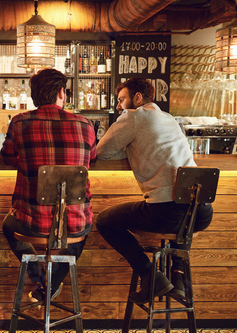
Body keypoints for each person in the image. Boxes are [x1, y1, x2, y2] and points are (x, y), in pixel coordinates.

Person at [96, 77, 213, 304]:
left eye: (122, 100)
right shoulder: (168, 118)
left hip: (166, 214)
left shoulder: (133, 116)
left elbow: (101, 151)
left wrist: (127, 147)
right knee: (184, 211)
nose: (119, 106)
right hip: (202, 213)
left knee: (103, 221)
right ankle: (177, 278)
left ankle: (150, 274)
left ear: (137, 98)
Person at [1, 68, 97, 302]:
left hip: (31, 223)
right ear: (62, 93)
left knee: (7, 226)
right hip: (75, 223)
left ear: (34, 96)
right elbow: (91, 160)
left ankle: (41, 278)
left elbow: (6, 157)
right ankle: (52, 283)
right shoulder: (85, 124)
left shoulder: (19, 122)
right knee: (83, 228)